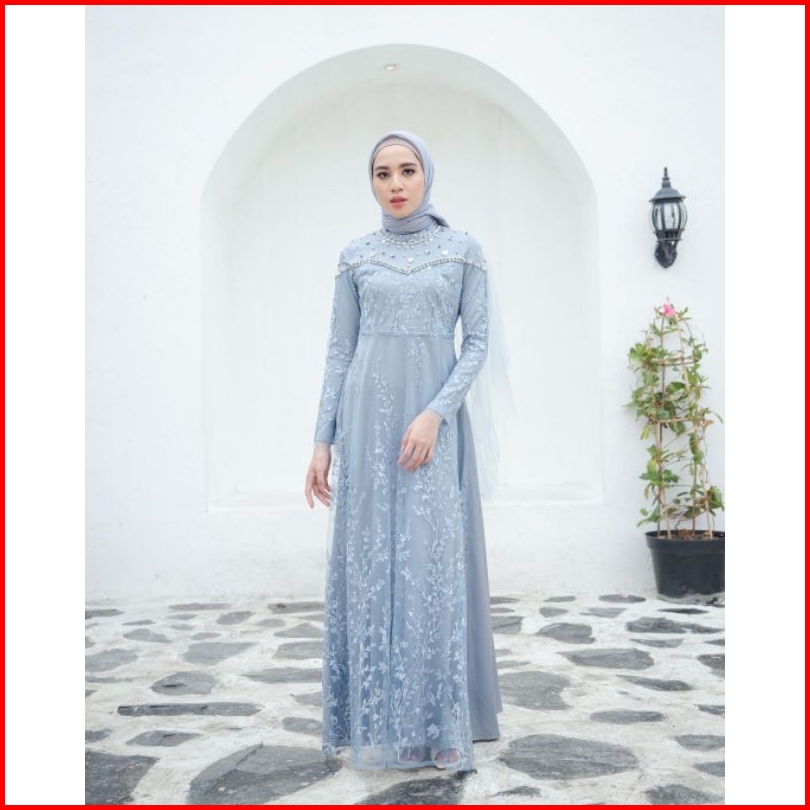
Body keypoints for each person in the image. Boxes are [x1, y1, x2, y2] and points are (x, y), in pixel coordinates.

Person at [304, 130, 502, 773]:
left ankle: (437, 723)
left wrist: (435, 413)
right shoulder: (355, 256)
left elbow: (477, 344)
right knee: (372, 566)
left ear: (427, 175)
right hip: (365, 427)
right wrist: (322, 440)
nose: (395, 184)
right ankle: (382, 720)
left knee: (429, 564)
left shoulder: (462, 250)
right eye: (382, 173)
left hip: (430, 430)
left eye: (407, 170)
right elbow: (340, 351)